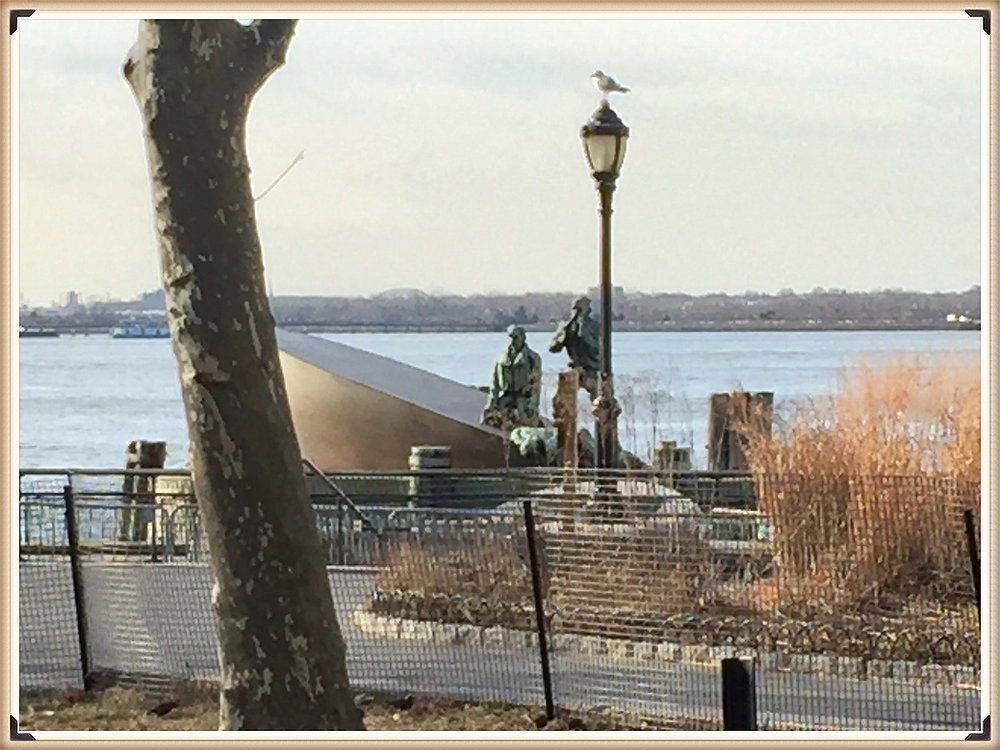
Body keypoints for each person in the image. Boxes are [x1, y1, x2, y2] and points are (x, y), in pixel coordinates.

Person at [482, 325, 542, 429]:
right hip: (506, 398)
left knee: (527, 426)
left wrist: (533, 405)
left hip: (523, 399)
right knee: (490, 421)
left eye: (516, 337)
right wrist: (491, 404)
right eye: (510, 337)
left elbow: (536, 385)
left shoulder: (532, 358)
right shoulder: (501, 359)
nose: (513, 340)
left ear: (523, 338)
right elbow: (494, 385)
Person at [549, 296, 601, 397]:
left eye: (580, 309)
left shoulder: (595, 327)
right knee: (560, 396)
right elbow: (553, 348)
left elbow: (599, 349)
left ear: (588, 310)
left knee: (600, 398)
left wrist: (586, 335)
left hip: (592, 369)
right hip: (572, 368)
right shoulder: (566, 326)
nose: (577, 312)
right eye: (575, 309)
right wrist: (563, 334)